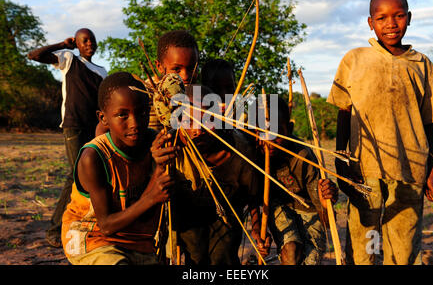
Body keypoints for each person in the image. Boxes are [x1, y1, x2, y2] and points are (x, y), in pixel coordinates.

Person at [326, 0, 433, 265]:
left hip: (410, 166)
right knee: (364, 239)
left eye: (399, 16)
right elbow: (344, 113)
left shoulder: (422, 64)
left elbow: (427, 122)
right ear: (371, 22)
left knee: (404, 242)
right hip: (364, 166)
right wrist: (341, 158)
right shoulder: (354, 60)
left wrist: (431, 171)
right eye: (381, 18)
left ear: (409, 17)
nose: (391, 24)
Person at [61, 71, 177, 265]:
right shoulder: (94, 157)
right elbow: (106, 225)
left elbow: (150, 205)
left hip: (136, 239)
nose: (135, 124)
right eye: (122, 115)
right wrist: (152, 196)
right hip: (93, 238)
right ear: (103, 118)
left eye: (141, 113)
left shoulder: (154, 143)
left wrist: (159, 168)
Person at [156, 84, 271, 265]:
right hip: (189, 213)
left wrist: (257, 228)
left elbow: (252, 195)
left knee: (223, 257)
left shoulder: (239, 150)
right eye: (190, 121)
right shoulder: (170, 145)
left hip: (227, 210)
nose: (198, 130)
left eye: (206, 120)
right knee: (195, 256)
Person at [27, 28, 108, 247]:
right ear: (77, 44)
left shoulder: (102, 71)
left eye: (92, 39)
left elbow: (105, 102)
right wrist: (63, 44)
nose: (89, 43)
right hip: (73, 127)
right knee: (76, 175)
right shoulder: (69, 59)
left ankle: (85, 222)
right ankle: (55, 229)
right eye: (84, 40)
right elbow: (34, 55)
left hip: (94, 129)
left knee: (92, 174)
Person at [254, 96, 338, 265]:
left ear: (289, 129)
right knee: (291, 253)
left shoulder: (303, 157)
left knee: (310, 261)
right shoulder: (253, 155)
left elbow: (328, 222)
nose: (269, 139)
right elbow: (252, 200)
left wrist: (326, 204)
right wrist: (258, 232)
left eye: (276, 131)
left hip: (310, 211)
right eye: (262, 131)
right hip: (279, 207)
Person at [147, 30, 200, 133]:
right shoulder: (146, 100)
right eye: (176, 69)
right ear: (159, 67)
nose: (185, 76)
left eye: (192, 68)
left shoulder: (201, 96)